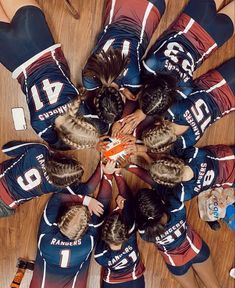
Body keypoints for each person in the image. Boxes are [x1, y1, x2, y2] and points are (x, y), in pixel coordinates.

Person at [116, 0, 235, 135]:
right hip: (194, 20)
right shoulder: (150, 65)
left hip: (214, 38)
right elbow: (136, 81)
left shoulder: (184, 90)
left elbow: (170, 103)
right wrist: (139, 107)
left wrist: (144, 113)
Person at [0, 0, 105, 150]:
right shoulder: (40, 126)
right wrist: (84, 144)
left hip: (37, 39)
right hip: (12, 55)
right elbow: (56, 145)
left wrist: (96, 140)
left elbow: (101, 125)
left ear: (83, 121)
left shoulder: (79, 105)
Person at [121, 57, 235, 156]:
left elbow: (164, 145)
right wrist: (142, 112)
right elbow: (159, 98)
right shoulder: (171, 110)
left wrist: (139, 146)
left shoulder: (187, 142)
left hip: (227, 104)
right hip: (215, 84)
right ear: (157, 124)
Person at [29, 160, 116, 288]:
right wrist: (87, 199)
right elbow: (59, 197)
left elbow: (101, 207)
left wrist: (108, 174)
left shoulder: (86, 244)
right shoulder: (45, 240)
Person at [82, 0, 167, 124]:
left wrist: (123, 89)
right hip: (119, 5)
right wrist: (120, 90)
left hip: (150, 8)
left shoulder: (133, 79)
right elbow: (103, 81)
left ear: (122, 98)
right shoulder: (89, 78)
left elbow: (140, 94)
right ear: (96, 99)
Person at [135, 188, 220, 288]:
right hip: (196, 249)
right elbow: (163, 189)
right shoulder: (178, 209)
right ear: (160, 203)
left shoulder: (144, 233)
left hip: (176, 263)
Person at [0, 141, 103, 217]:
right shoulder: (57, 187)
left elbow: (6, 149)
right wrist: (103, 167)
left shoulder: (39, 150)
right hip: (6, 205)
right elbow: (86, 190)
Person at [94, 172, 145, 288]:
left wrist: (118, 209)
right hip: (134, 278)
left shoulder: (99, 255)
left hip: (113, 282)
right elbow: (128, 199)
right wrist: (119, 208)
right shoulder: (131, 232)